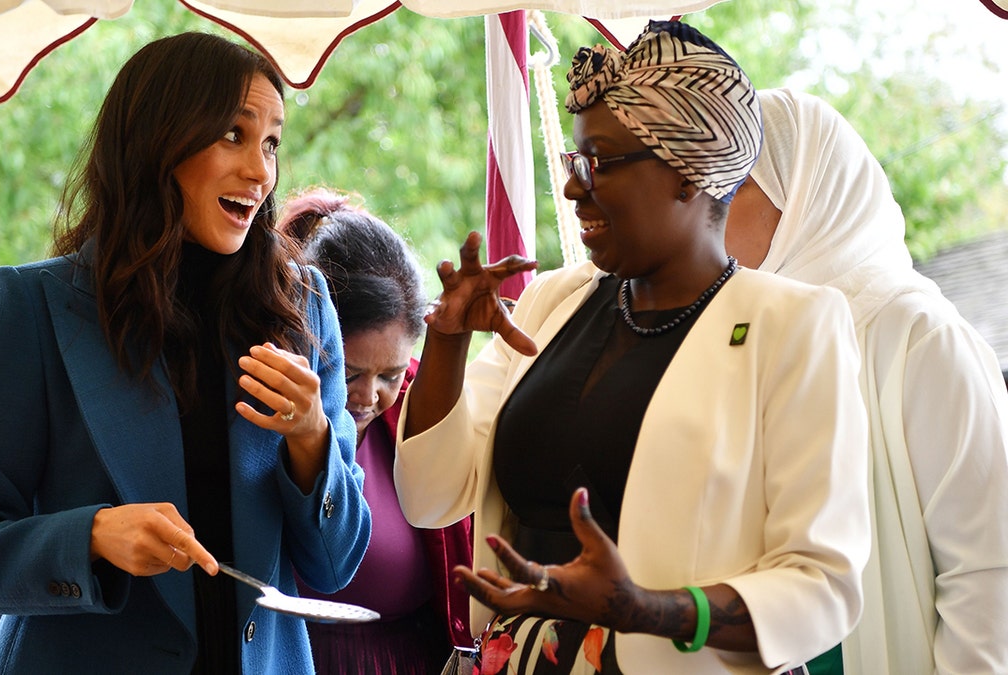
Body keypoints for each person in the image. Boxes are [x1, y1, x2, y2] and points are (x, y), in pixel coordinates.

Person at [393, 21, 871, 675]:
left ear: (688, 172)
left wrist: (647, 607)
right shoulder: (549, 303)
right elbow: (430, 495)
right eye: (574, 160)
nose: (572, 186)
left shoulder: (792, 324)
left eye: (603, 163)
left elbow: (824, 585)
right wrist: (445, 343)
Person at [0, 33, 371, 675]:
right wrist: (94, 536)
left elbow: (335, 566)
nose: (260, 171)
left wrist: (311, 436)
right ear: (159, 140)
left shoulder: (303, 307)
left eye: (272, 141)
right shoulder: (37, 308)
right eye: (234, 135)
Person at [724, 87, 1008, 675]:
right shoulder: (736, 339)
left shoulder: (917, 337)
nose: (709, 207)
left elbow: (988, 575)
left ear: (806, 197)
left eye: (736, 185)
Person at [278, 188, 475, 674]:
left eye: (390, 374)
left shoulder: (420, 415)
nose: (369, 397)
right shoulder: (262, 410)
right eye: (348, 373)